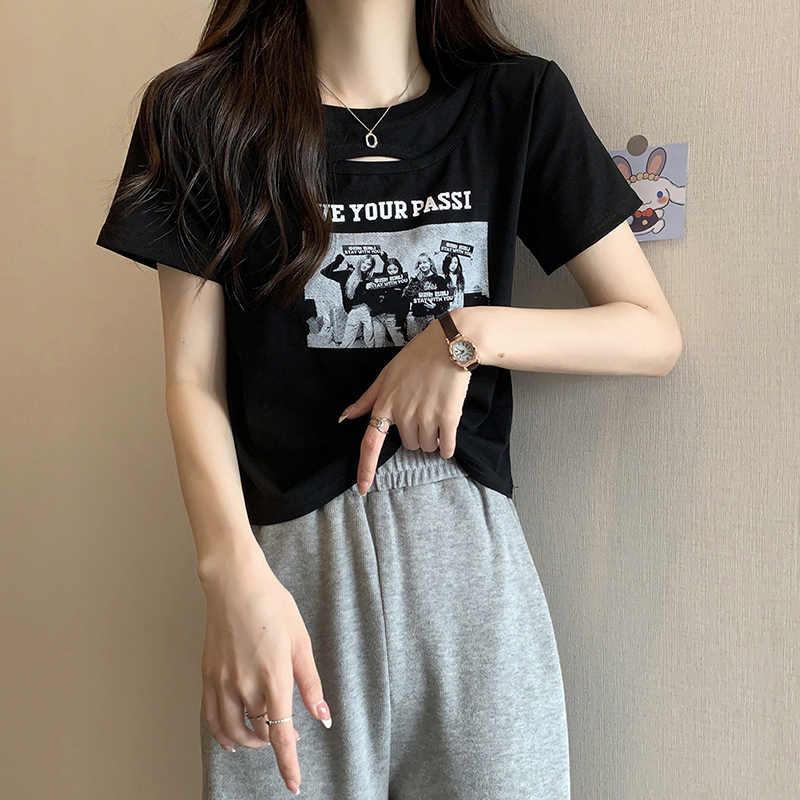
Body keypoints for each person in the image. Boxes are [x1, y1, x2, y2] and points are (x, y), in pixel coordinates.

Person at [95, 1, 682, 797]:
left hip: (471, 589)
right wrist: (228, 574)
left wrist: (464, 334)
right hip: (286, 589)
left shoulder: (515, 103)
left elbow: (650, 333)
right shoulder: (203, 114)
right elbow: (192, 381)